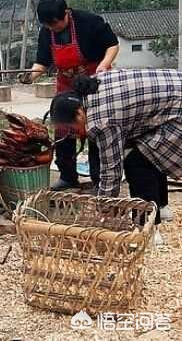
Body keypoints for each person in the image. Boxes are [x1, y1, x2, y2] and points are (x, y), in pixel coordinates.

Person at [49, 69, 182, 245]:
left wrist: (103, 207)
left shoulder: (102, 121)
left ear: (79, 114)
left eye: (72, 127)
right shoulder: (92, 86)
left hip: (178, 111)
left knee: (137, 161)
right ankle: (161, 207)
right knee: (147, 150)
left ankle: (148, 230)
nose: (74, 133)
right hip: (174, 88)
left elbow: (112, 170)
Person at [25, 0, 120, 191]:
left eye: (55, 24)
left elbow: (113, 44)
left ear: (66, 13)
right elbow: (42, 61)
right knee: (63, 129)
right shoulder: (47, 32)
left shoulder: (89, 22)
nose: (53, 28)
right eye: (48, 25)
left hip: (94, 82)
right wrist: (29, 77)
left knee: (96, 129)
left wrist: (103, 66)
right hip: (66, 85)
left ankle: (99, 179)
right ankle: (67, 176)